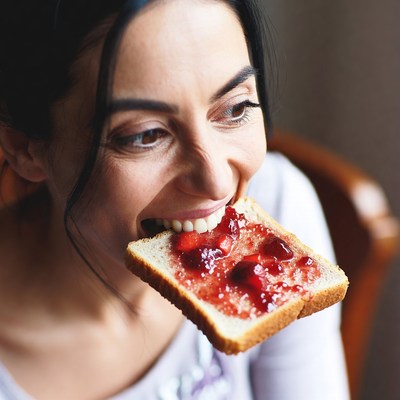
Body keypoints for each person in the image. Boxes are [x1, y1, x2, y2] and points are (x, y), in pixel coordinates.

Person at [0, 0, 349, 399]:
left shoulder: (280, 208)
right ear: (24, 146)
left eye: (236, 108)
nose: (216, 182)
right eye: (146, 135)